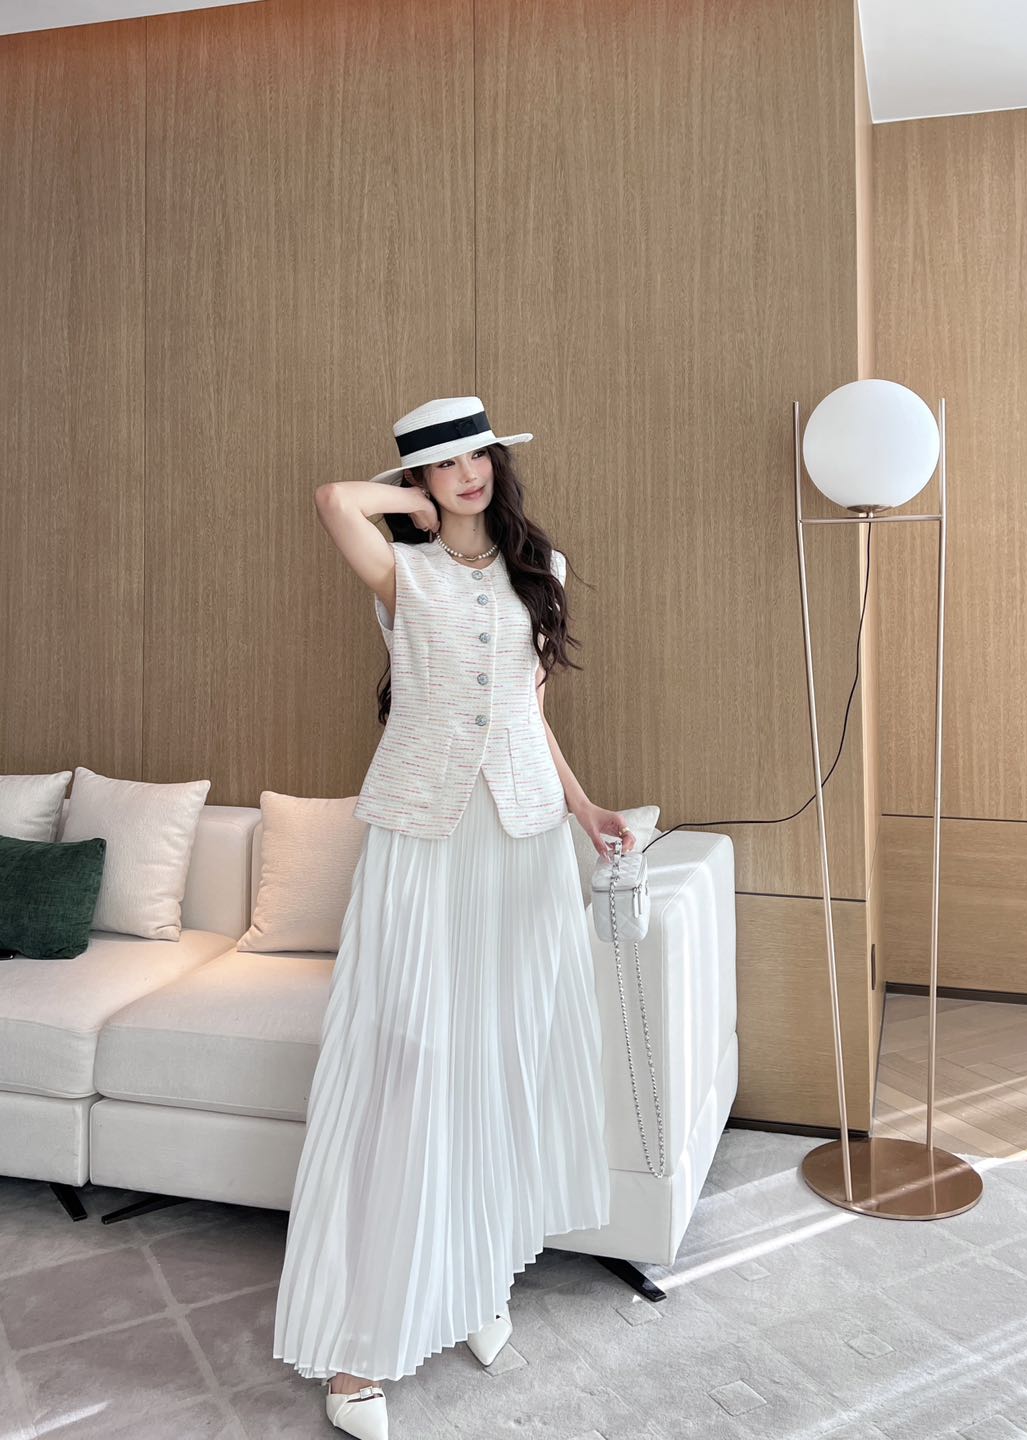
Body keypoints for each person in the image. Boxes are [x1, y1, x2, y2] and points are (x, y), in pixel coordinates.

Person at [271, 396, 635, 1439]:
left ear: (496, 462)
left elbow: (530, 714)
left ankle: (474, 1280)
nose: (469, 474)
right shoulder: (401, 571)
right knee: (409, 1062)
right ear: (420, 482)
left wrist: (585, 810)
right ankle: (358, 1349)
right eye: (443, 465)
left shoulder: (540, 571)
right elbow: (332, 498)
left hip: (522, 839)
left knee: (499, 1059)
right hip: (424, 837)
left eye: (478, 455)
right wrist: (416, 514)